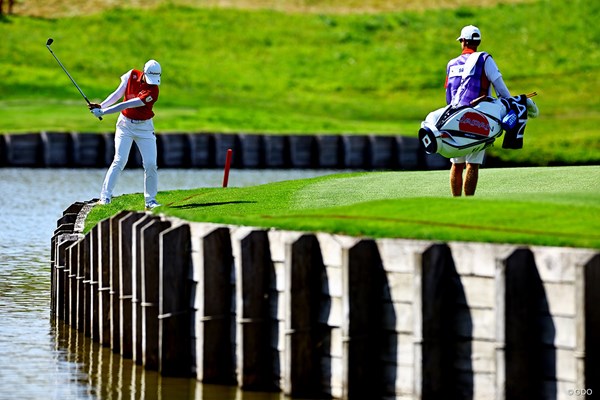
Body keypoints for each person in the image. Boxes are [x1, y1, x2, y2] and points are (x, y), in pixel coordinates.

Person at [445, 25, 511, 196]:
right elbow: (501, 89)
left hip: (453, 116)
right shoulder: (484, 59)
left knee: (457, 163)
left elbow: (448, 94)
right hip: (476, 118)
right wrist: (508, 105)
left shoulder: (451, 64)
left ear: (463, 41)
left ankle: (455, 201)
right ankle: (468, 201)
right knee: (472, 164)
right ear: (478, 42)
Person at [89, 60, 162, 210]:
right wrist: (101, 106)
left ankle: (150, 201)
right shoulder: (132, 75)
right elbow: (117, 94)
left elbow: (127, 104)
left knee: (150, 164)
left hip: (145, 128)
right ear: (144, 73)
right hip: (125, 126)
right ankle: (105, 197)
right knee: (119, 160)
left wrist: (103, 112)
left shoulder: (153, 91)